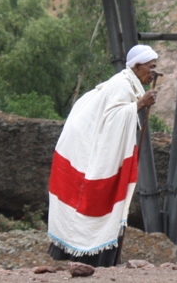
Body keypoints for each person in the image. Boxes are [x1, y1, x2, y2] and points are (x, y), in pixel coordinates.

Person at [47, 44, 159, 267]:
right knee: (94, 201)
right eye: (150, 67)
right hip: (92, 152)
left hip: (104, 150)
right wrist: (139, 104)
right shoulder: (121, 85)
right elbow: (112, 118)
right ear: (136, 67)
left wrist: (139, 104)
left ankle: (102, 259)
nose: (153, 73)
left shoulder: (129, 84)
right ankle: (88, 257)